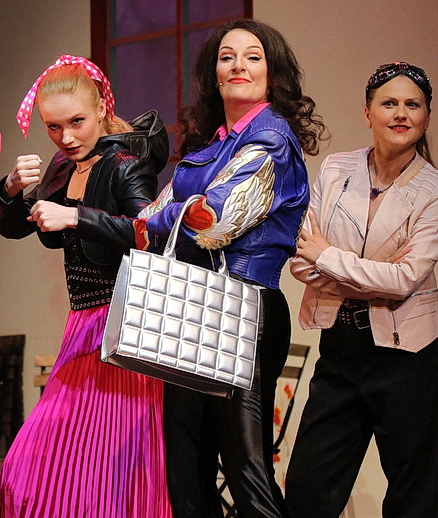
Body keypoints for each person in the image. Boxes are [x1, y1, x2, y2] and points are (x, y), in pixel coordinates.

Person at [135, 20, 323, 518]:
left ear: (272, 73)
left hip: (244, 304)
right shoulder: (210, 145)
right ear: (214, 75)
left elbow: (216, 219)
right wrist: (166, 216)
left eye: (253, 56)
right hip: (194, 305)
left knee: (246, 469)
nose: (238, 65)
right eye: (227, 56)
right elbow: (148, 220)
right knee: (186, 470)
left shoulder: (272, 138)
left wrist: (168, 217)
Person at [0, 55, 171, 517]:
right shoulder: (62, 168)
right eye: (53, 127)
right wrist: (9, 189)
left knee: (115, 471)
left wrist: (75, 217)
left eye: (76, 122)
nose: (66, 138)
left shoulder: (126, 164)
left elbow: (149, 232)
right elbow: (15, 227)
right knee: (29, 467)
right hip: (82, 326)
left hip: (124, 327)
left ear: (101, 111)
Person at [284, 61, 438, 518]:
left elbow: (404, 281)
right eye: (389, 103)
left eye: (413, 105)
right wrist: (363, 274)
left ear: (426, 116)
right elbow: (300, 259)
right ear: (367, 113)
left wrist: (328, 257)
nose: (401, 114)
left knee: (411, 498)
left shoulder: (436, 190)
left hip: (407, 355)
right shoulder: (336, 169)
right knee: (307, 491)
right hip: (341, 346)